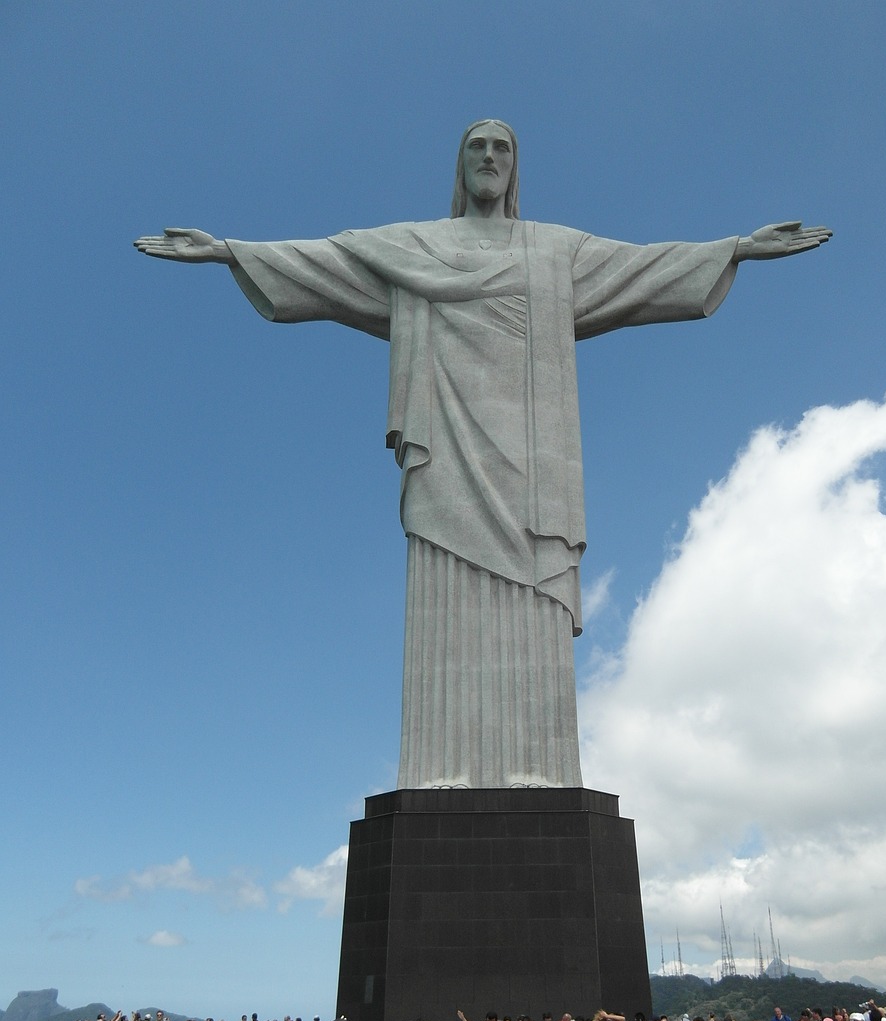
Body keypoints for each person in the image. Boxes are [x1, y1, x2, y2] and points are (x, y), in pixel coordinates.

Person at [134, 121, 830, 792]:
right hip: (446, 456)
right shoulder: (413, 247)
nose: (490, 156)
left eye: (503, 147)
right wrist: (227, 250)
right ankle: (439, 769)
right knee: (446, 600)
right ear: (460, 165)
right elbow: (326, 260)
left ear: (515, 166)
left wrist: (736, 248)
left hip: (533, 463)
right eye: (477, 146)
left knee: (531, 605)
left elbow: (644, 266)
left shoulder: (555, 251)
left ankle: (542, 770)